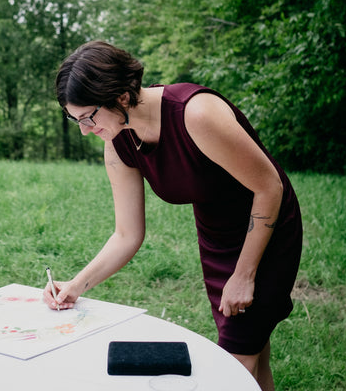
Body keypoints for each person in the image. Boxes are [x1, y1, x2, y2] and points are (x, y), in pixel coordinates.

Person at [43, 40, 302, 391]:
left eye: (88, 117)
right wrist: (75, 285)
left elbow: (269, 187)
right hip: (216, 237)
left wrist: (244, 274)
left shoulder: (195, 114)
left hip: (266, 228)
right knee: (253, 353)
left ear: (121, 97)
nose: (84, 130)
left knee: (236, 362)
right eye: (75, 120)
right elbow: (126, 235)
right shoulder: (118, 140)